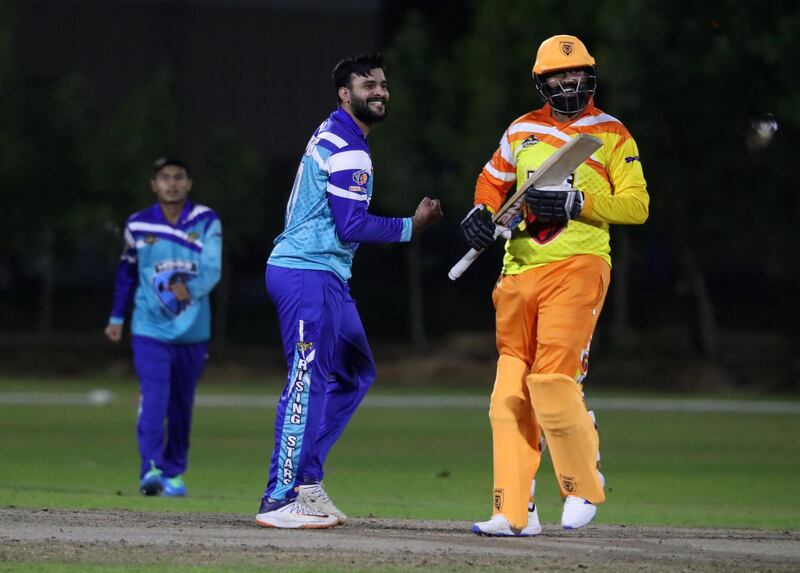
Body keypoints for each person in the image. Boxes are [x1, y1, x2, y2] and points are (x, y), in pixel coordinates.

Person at [461, 35, 649, 536]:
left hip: (579, 265)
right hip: (517, 271)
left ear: (589, 76)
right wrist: (480, 213)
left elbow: (636, 205)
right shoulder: (521, 129)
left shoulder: (611, 133)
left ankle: (583, 482)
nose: (569, 82)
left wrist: (577, 204)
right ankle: (513, 512)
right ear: (542, 82)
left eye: (577, 73)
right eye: (558, 76)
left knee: (550, 382)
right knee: (507, 396)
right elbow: (491, 182)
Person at [255, 53, 443, 529]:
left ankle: (307, 482)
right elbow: (350, 224)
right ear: (345, 94)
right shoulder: (349, 146)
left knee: (356, 371)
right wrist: (411, 226)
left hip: (326, 276)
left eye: (383, 84)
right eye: (367, 85)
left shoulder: (339, 132)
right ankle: (279, 500)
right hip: (306, 273)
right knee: (307, 378)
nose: (379, 91)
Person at [105, 157, 222, 497]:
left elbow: (212, 267)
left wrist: (193, 287)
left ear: (189, 183)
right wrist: (116, 317)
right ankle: (151, 469)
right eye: (164, 178)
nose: (172, 183)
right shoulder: (138, 225)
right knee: (154, 397)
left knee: (181, 405)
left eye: (178, 177)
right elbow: (126, 273)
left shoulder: (205, 220)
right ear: (154, 185)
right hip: (149, 329)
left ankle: (174, 472)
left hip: (193, 331)